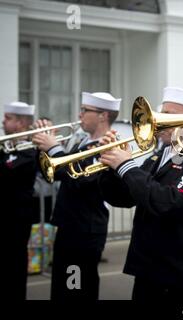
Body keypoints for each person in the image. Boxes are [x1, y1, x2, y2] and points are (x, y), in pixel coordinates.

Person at [98, 87, 183, 301]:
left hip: (176, 275)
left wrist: (127, 167)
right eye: (161, 112)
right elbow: (124, 198)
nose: (158, 119)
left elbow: (169, 203)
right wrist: (111, 167)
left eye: (169, 114)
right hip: (146, 268)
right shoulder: (158, 156)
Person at [32, 92, 121, 300]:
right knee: (62, 287)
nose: (79, 114)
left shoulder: (108, 145)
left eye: (85, 110)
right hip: (69, 225)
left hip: (85, 229)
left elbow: (78, 177)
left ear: (103, 115)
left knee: (77, 288)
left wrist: (53, 148)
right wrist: (42, 149)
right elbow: (53, 173)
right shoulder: (80, 140)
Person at [1, 101, 37, 299]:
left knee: (14, 265)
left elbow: (8, 171)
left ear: (21, 123)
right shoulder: (6, 147)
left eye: (8, 118)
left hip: (16, 219)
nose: (3, 122)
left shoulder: (29, 150)